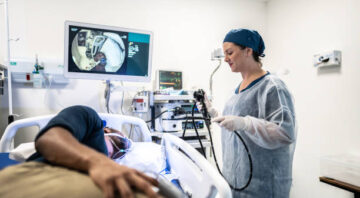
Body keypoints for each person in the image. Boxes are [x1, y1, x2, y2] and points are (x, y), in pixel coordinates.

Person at [199, 29, 296, 198]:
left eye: (230, 53)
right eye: (224, 54)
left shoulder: (273, 86)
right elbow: (236, 129)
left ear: (248, 51)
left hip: (264, 185)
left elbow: (285, 133)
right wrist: (213, 113)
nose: (226, 59)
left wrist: (245, 123)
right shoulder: (237, 91)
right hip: (236, 182)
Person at [0, 105, 161, 198]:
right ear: (106, 130)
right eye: (120, 142)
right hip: (39, 180)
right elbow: (49, 139)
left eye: (122, 153)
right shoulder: (89, 118)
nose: (120, 152)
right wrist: (99, 162)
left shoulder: (109, 170)